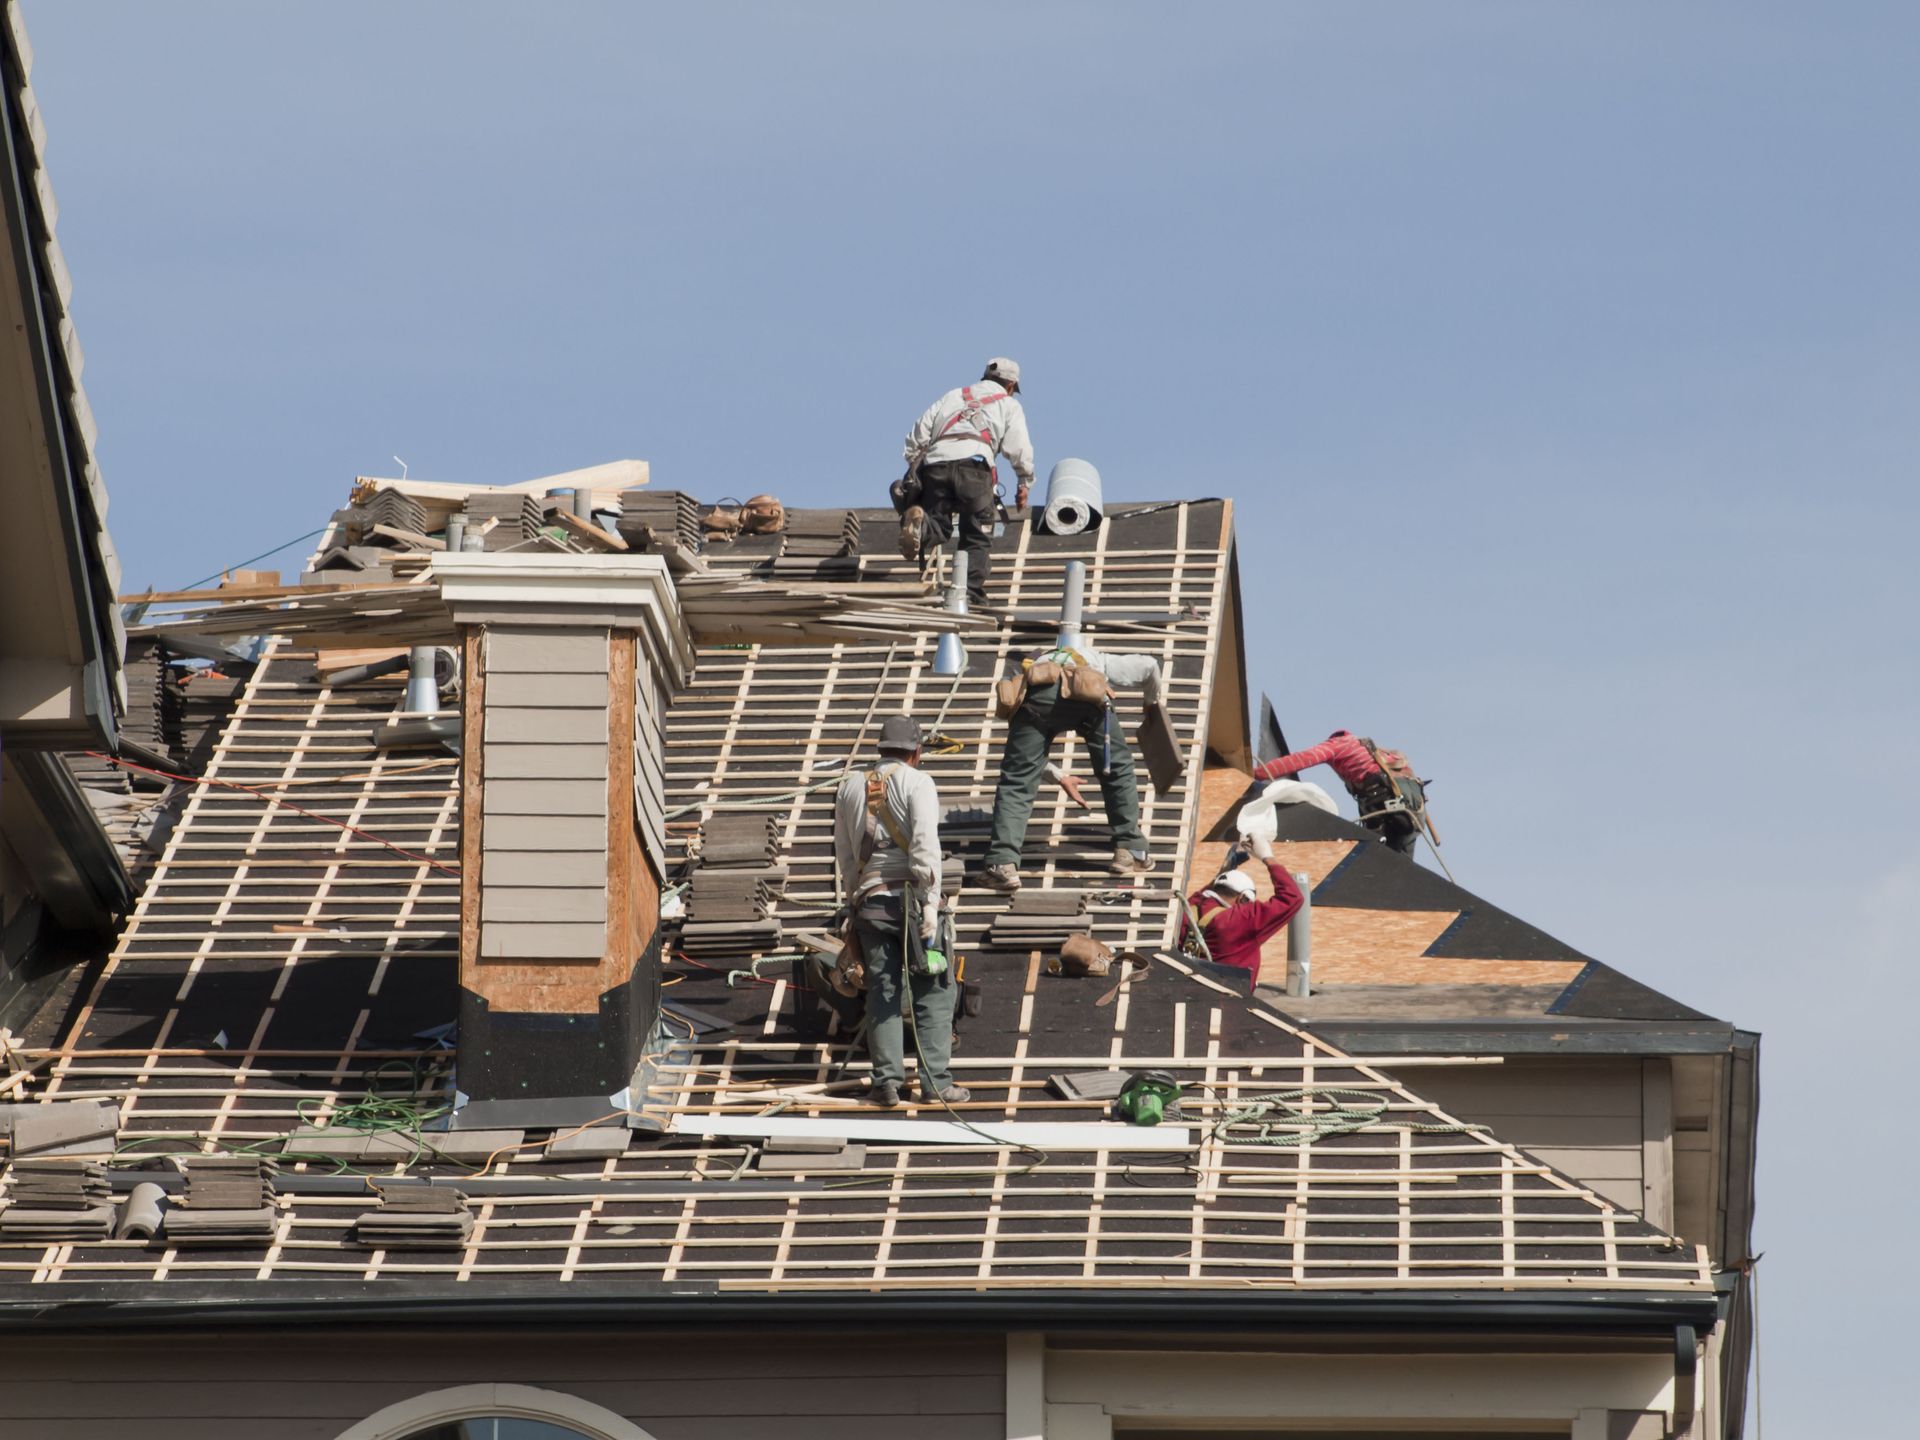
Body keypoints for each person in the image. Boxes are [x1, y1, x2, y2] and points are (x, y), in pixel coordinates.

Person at [832, 713, 968, 1108]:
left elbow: (843, 852)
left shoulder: (848, 785)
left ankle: (886, 1083)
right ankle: (935, 1084)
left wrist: (853, 899)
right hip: (910, 903)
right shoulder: (918, 782)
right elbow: (926, 846)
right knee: (934, 989)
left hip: (870, 904)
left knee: (882, 991)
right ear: (917, 752)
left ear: (881, 749)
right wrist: (930, 904)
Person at [981, 643, 1162, 890]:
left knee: (1016, 783)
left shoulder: (1029, 669)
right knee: (1117, 771)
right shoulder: (1098, 658)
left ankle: (1003, 865)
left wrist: (1056, 775)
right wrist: (1151, 705)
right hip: (1087, 696)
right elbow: (1150, 666)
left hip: (1036, 700)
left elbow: (1024, 765)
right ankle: (1130, 850)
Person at [897, 357, 1036, 609]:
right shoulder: (1008, 404)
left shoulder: (953, 396)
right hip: (974, 468)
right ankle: (970, 594)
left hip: (936, 465)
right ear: (1011, 386)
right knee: (976, 535)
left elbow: (917, 434)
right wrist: (1024, 482)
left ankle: (921, 526)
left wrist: (914, 469)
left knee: (938, 524)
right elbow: (1019, 448)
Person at [1254, 730, 1424, 855]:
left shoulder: (1337, 745)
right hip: (1414, 812)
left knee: (1374, 857)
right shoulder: (1376, 752)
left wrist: (1256, 774)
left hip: (1385, 804)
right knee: (1401, 865)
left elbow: (1298, 760)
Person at [1180, 833, 1304, 983]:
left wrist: (1225, 869)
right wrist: (1267, 857)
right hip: (1229, 999)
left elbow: (1208, 892)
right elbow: (1292, 898)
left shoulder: (1190, 907)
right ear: (1243, 898)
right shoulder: (1240, 920)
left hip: (1187, 990)